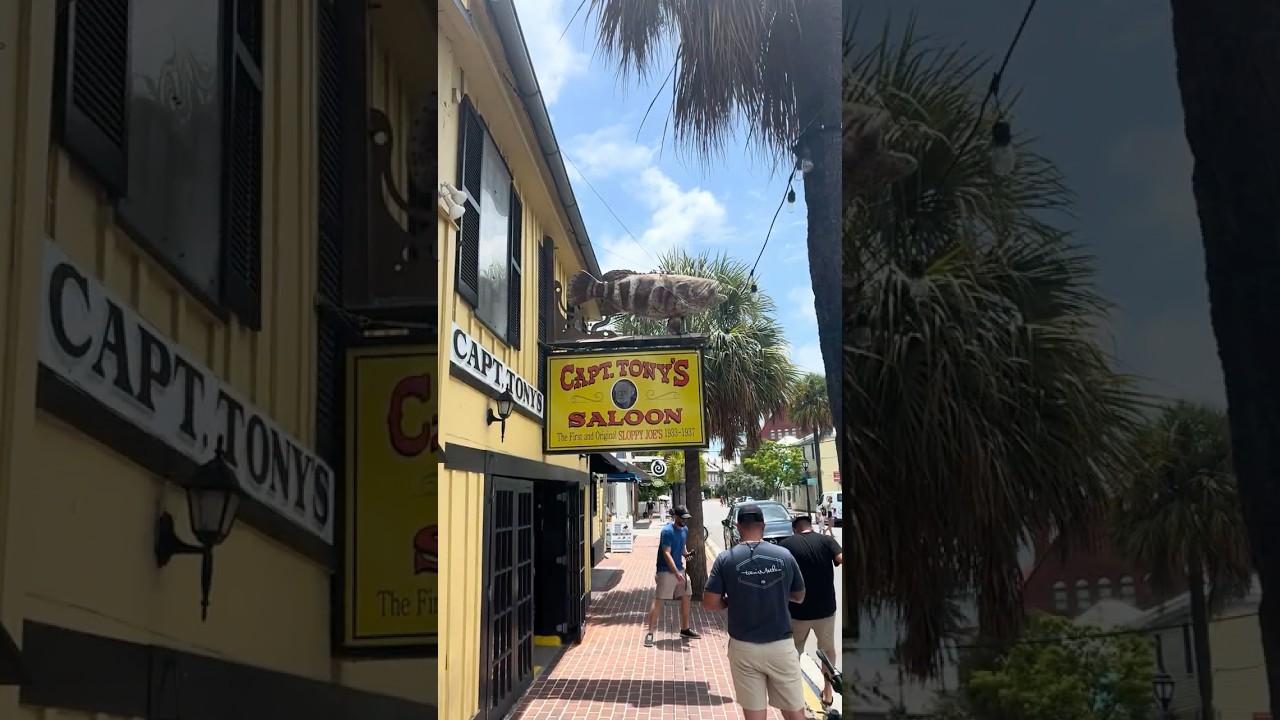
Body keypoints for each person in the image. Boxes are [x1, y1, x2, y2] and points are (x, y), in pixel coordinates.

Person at [703, 503, 808, 720]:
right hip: (781, 646)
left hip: (744, 648)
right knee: (795, 714)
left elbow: (710, 603)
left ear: (737, 526)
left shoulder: (726, 559)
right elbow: (799, 596)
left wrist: (730, 601)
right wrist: (778, 593)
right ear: (763, 525)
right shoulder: (784, 555)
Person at [779, 515, 843, 707]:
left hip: (798, 610)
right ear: (810, 526)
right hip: (826, 609)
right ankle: (828, 693)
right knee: (828, 651)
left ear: (795, 529)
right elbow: (841, 558)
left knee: (793, 652)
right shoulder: (827, 541)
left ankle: (794, 695)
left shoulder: (786, 544)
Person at [644, 505, 700, 647]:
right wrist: (675, 572)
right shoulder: (667, 531)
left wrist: (686, 554)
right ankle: (650, 633)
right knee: (659, 600)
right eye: (683, 518)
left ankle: (685, 629)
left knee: (687, 595)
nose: (685, 521)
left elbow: (682, 546)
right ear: (676, 517)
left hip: (679, 570)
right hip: (666, 571)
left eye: (686, 518)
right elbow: (666, 553)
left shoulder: (684, 529)